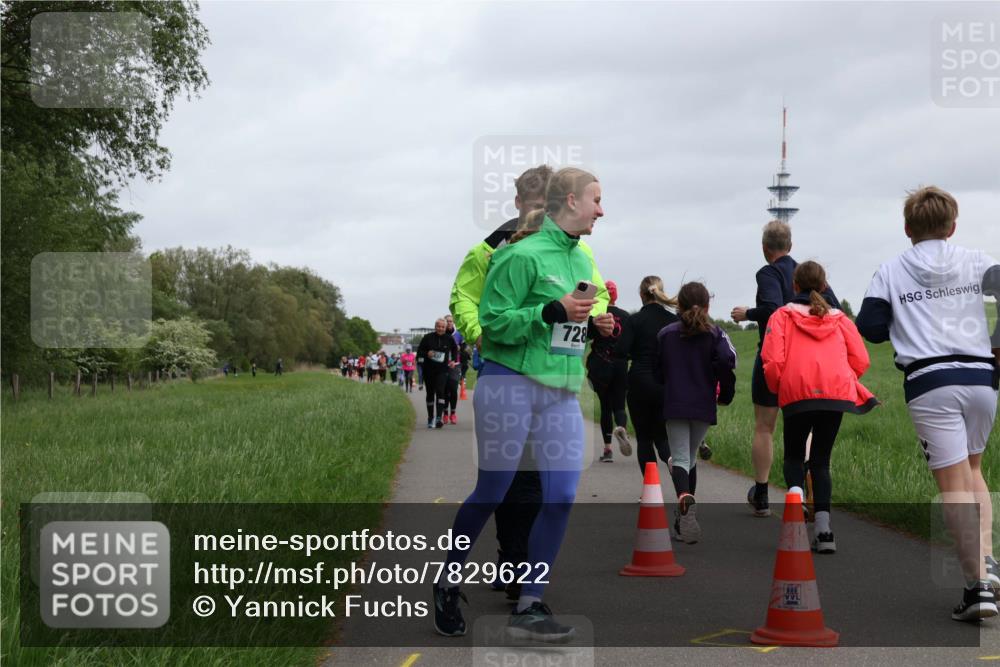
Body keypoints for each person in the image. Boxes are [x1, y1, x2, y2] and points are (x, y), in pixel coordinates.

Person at [434, 167, 612, 643]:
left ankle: (530, 605)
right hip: (509, 383)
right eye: (596, 199)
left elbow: (580, 318)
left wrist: (596, 325)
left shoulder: (582, 260)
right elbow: (492, 324)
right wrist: (548, 311)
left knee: (560, 497)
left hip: (561, 391)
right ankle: (448, 580)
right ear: (570, 201)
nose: (602, 209)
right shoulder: (516, 255)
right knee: (492, 492)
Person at [856, 186, 999, 621]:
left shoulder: (892, 268)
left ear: (907, 229)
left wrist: (910, 318)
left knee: (953, 485)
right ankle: (988, 564)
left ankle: (978, 590)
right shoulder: (976, 260)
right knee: (974, 469)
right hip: (981, 378)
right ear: (952, 226)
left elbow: (871, 326)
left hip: (931, 379)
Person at [762, 261, 877, 553]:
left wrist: (780, 386)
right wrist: (840, 378)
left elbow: (773, 361)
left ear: (794, 286)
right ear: (825, 286)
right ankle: (824, 531)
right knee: (821, 460)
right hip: (835, 394)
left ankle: (797, 501)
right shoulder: (840, 319)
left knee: (793, 455)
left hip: (796, 393)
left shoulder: (781, 316)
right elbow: (861, 359)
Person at [731, 220, 840, 516]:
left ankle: (763, 493)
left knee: (765, 426)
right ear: (790, 246)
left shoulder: (768, 272)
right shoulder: (810, 275)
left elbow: (772, 308)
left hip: (773, 358)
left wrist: (746, 313)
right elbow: (833, 309)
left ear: (765, 248)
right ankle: (801, 492)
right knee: (803, 428)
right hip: (810, 364)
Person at [654, 282, 737, 543]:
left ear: (678, 305)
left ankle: (683, 499)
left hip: (676, 401)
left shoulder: (666, 334)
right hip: (703, 403)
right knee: (689, 457)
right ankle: (684, 518)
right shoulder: (715, 334)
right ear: (708, 305)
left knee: (679, 457)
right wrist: (724, 390)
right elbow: (728, 360)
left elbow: (657, 369)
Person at [615, 276, 679, 475]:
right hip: (666, 383)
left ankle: (652, 491)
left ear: (641, 295)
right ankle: (670, 460)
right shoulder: (674, 321)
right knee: (662, 436)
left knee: (644, 438)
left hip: (639, 382)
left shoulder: (633, 320)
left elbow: (620, 351)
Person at [587, 279, 632, 462]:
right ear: (616, 295)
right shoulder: (626, 316)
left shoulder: (598, 314)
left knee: (605, 407)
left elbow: (588, 336)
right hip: (620, 365)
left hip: (600, 364)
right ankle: (621, 426)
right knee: (619, 404)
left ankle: (607, 450)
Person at [417, 319, 459, 428]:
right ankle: (431, 418)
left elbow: (455, 349)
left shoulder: (449, 338)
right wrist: (427, 353)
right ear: (435, 327)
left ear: (445, 328)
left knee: (441, 392)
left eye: (443, 327)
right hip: (429, 370)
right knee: (430, 393)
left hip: (442, 370)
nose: (440, 329)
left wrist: (454, 360)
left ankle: (439, 418)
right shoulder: (427, 337)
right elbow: (419, 352)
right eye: (438, 326)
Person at [444, 315, 462, 424]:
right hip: (444, 365)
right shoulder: (441, 334)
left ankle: (453, 413)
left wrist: (460, 348)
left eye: (451, 321)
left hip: (455, 364)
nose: (449, 323)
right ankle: (445, 413)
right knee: (445, 390)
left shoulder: (458, 334)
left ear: (453, 322)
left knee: (453, 389)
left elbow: (465, 347)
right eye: (447, 321)